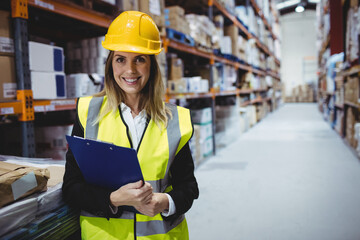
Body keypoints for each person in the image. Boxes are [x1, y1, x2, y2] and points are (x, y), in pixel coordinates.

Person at [62, 11, 199, 240]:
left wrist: (165, 202)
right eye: (120, 59)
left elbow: (189, 188)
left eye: (140, 59)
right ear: (110, 64)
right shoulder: (88, 114)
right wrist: (114, 199)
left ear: (151, 65)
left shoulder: (176, 121)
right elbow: (71, 189)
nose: (130, 70)